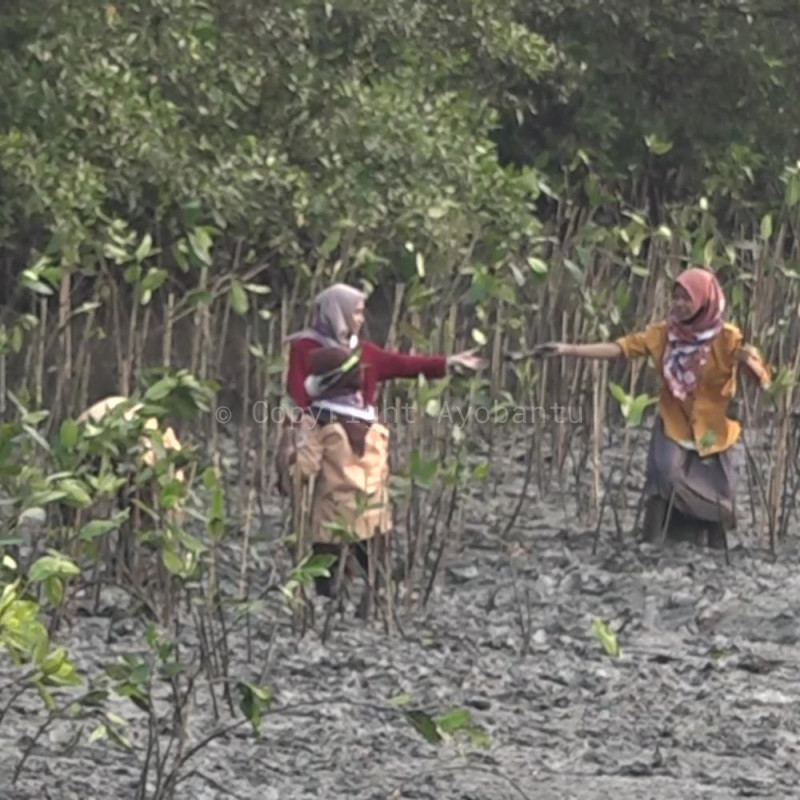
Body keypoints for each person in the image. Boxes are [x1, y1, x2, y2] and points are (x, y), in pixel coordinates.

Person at [533, 267, 771, 547]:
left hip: (712, 428)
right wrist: (568, 349)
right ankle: (655, 540)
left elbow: (761, 378)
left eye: (687, 298)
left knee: (721, 494)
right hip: (674, 421)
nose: (679, 305)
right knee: (665, 475)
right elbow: (620, 348)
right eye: (676, 298)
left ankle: (711, 533)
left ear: (705, 300)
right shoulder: (662, 335)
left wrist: (748, 363)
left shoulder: (728, 338)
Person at [277, 283, 483, 494]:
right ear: (338, 312)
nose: (361, 319)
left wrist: (447, 363)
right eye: (356, 312)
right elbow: (297, 396)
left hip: (360, 437)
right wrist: (294, 436)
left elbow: (403, 364)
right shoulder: (305, 348)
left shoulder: (362, 351)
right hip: (322, 438)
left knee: (365, 493)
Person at [289, 345, 392, 618]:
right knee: (373, 568)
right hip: (373, 512)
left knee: (326, 573)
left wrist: (288, 465)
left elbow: (306, 467)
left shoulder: (316, 421)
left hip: (332, 514)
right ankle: (374, 606)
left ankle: (331, 612)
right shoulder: (372, 420)